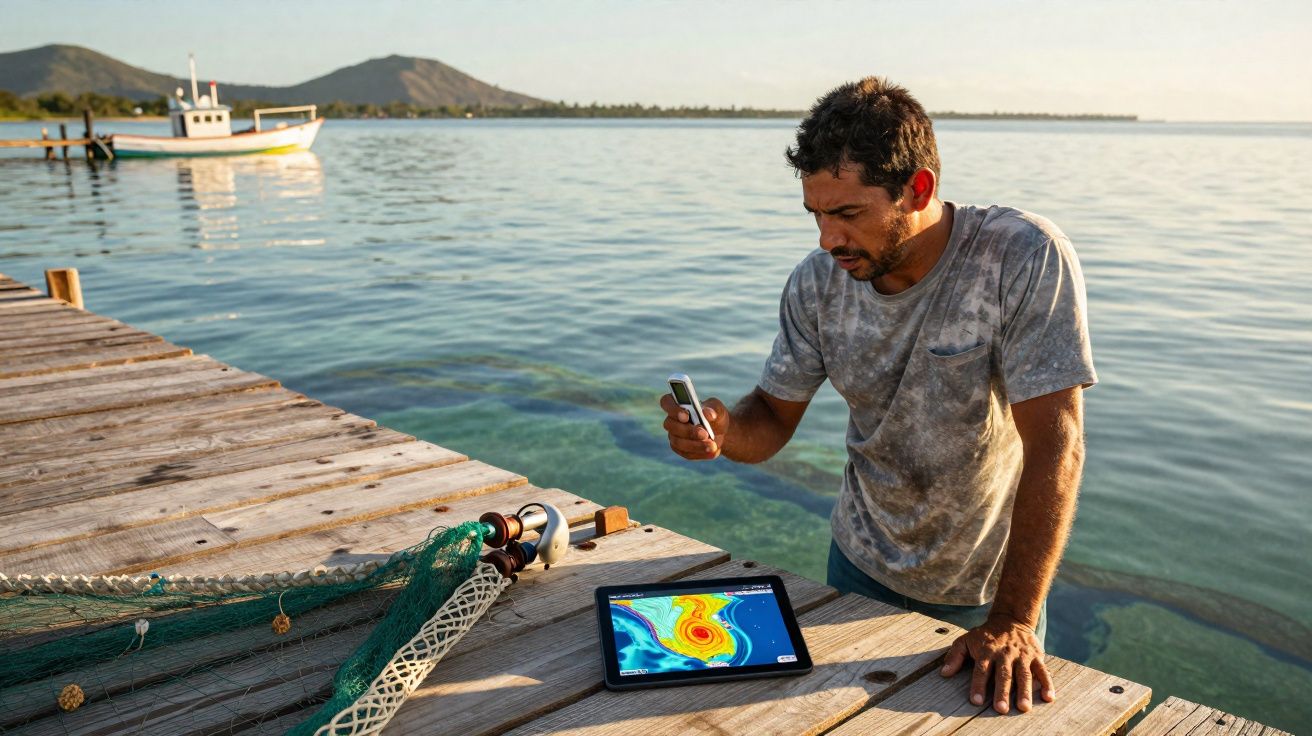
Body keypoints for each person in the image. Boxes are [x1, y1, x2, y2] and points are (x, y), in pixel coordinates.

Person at [659, 77, 1096, 716]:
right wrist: (722, 432)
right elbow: (773, 417)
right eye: (816, 214)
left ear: (917, 189)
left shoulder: (1022, 256)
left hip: (986, 590)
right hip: (856, 568)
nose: (825, 239)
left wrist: (1014, 618)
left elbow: (1058, 448)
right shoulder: (817, 284)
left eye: (847, 214)